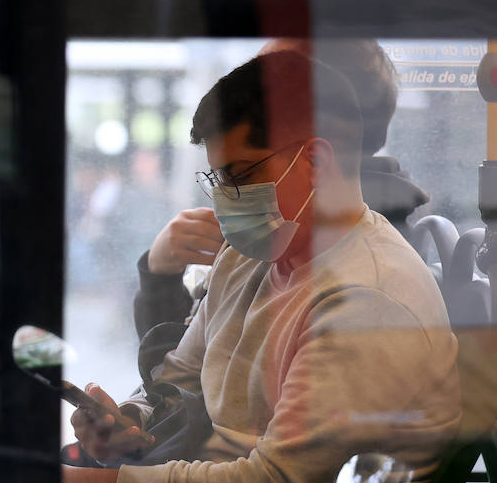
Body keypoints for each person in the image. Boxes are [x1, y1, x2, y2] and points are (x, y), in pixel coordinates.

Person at [65, 50, 461, 483]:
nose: (224, 199)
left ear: (315, 162)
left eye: (240, 176)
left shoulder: (368, 299)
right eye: (217, 179)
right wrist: (131, 422)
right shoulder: (249, 256)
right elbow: (178, 382)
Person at [132, 39, 430, 347]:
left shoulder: (354, 263)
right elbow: (187, 369)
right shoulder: (284, 227)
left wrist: (160, 279)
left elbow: (206, 379)